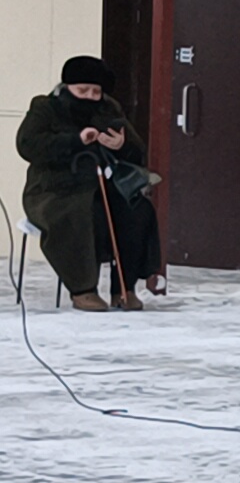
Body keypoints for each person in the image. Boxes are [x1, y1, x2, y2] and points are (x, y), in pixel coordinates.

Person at [15, 56, 162, 312]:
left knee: (137, 211)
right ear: (67, 86)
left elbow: (136, 149)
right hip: (54, 189)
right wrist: (75, 140)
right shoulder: (45, 107)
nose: (90, 97)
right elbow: (28, 145)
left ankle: (124, 287)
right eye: (82, 90)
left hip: (103, 183)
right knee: (80, 213)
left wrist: (122, 145)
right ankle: (82, 288)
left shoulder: (109, 108)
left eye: (96, 92)